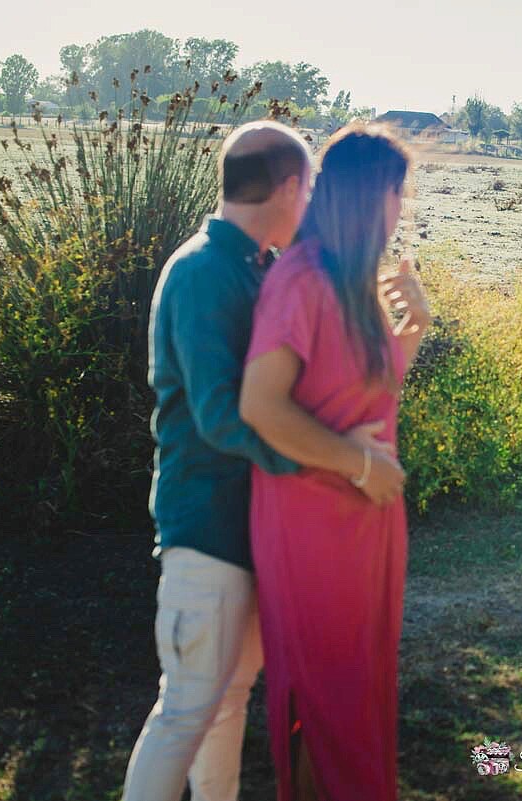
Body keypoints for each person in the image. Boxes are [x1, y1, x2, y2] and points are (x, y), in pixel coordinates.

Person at [125, 120, 390, 801]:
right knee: (185, 708)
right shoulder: (200, 272)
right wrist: (330, 462)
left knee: (228, 702)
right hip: (203, 533)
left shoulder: (254, 267)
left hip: (252, 536)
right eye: (307, 194)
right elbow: (220, 414)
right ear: (291, 187)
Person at [239, 123, 429, 801]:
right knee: (327, 702)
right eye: (397, 193)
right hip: (314, 528)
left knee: (358, 698)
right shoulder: (304, 276)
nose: (400, 208)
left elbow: (361, 398)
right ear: (369, 195)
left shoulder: (352, 284)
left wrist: (412, 333)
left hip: (365, 529)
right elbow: (262, 404)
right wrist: (357, 462)